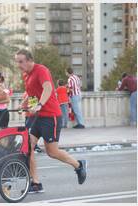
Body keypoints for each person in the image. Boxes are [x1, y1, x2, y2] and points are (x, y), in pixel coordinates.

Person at [15, 49, 87, 193]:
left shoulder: (41, 70)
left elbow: (47, 88)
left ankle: (78, 165)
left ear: (29, 60)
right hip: (36, 117)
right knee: (27, 148)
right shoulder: (26, 75)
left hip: (50, 116)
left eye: (21, 61)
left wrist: (40, 105)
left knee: (52, 152)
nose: (18, 64)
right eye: (17, 61)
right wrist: (24, 103)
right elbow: (32, 93)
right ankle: (35, 183)